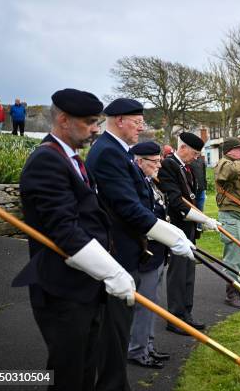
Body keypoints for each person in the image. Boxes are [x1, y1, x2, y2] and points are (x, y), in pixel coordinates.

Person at [14, 88, 135, 391]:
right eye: (90, 122)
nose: (96, 129)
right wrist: (113, 271)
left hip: (85, 285)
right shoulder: (46, 161)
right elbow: (65, 231)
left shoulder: (72, 159)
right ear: (64, 120)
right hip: (62, 288)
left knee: (85, 368)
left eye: (97, 121)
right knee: (67, 375)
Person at [86, 98, 194, 390]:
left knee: (118, 331)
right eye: (137, 121)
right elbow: (127, 207)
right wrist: (171, 235)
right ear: (119, 120)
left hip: (132, 249)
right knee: (114, 333)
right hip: (120, 250)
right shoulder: (108, 152)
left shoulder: (117, 151)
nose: (141, 126)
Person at [157, 132, 219, 334]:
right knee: (177, 272)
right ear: (182, 148)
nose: (196, 157)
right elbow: (176, 201)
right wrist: (203, 219)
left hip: (189, 228)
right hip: (177, 227)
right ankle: (175, 318)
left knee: (188, 272)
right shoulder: (168, 166)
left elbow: (191, 198)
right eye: (193, 153)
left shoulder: (187, 168)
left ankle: (187, 313)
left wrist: (201, 220)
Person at [127, 142, 170, 369]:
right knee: (144, 305)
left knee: (152, 303)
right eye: (154, 161)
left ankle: (148, 345)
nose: (159, 165)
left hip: (159, 251)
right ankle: (137, 349)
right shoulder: (136, 184)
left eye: (159, 160)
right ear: (139, 161)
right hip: (147, 251)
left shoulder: (149, 182)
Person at [214, 137, 240, 309]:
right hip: (231, 217)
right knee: (234, 258)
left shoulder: (237, 166)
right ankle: (232, 294)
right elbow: (233, 171)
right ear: (229, 151)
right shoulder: (224, 164)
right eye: (239, 149)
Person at [189, 155, 208, 231]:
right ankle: (193, 227)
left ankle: (199, 227)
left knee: (200, 208)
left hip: (201, 189)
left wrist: (205, 187)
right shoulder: (189, 160)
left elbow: (204, 174)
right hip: (192, 190)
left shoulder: (201, 160)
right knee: (193, 208)